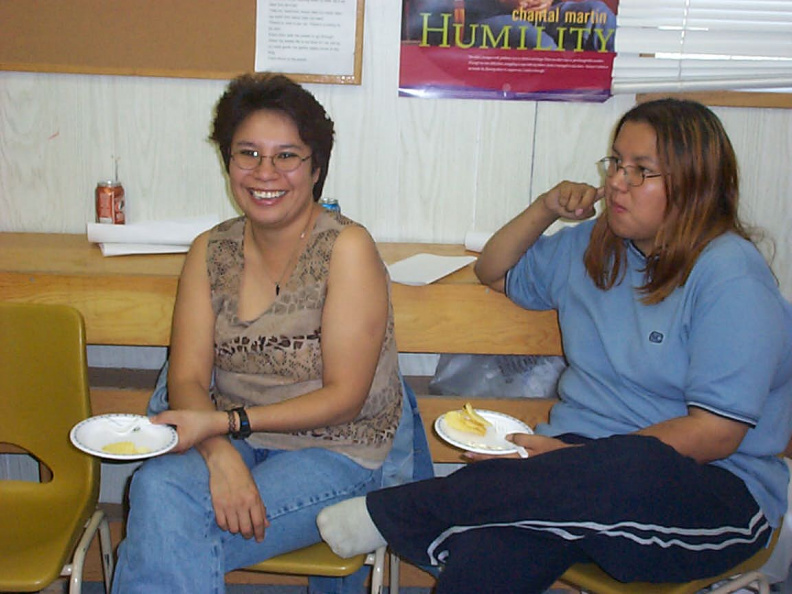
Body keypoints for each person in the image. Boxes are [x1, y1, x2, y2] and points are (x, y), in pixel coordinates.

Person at [317, 98, 792, 593]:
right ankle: (487, 503)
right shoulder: (598, 244)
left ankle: (404, 510)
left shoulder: (730, 276)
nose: (616, 183)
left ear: (695, 183)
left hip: (708, 490)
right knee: (488, 561)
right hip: (574, 469)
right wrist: (546, 207)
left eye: (641, 171)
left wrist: (566, 462)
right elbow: (493, 270)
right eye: (616, 163)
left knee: (633, 463)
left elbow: (715, 434)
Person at [111, 72, 405, 593]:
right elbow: (186, 377)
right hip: (232, 438)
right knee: (157, 490)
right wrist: (220, 452)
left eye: (287, 155)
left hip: (335, 450)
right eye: (247, 153)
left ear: (316, 167)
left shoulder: (347, 250)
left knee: (164, 536)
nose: (265, 172)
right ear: (228, 162)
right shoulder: (210, 250)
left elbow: (344, 398)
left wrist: (226, 425)